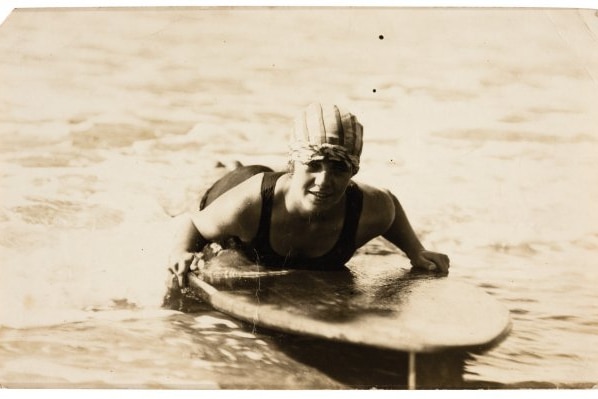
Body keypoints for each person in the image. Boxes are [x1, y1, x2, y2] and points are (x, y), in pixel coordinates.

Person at [167, 102, 450, 289]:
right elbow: (192, 222)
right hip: (243, 189)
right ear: (292, 165)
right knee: (234, 179)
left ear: (353, 171)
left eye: (339, 168)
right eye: (313, 166)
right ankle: (229, 167)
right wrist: (182, 252)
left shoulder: (368, 206)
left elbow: (390, 209)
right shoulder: (248, 204)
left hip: (276, 196)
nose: (325, 180)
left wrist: (416, 250)